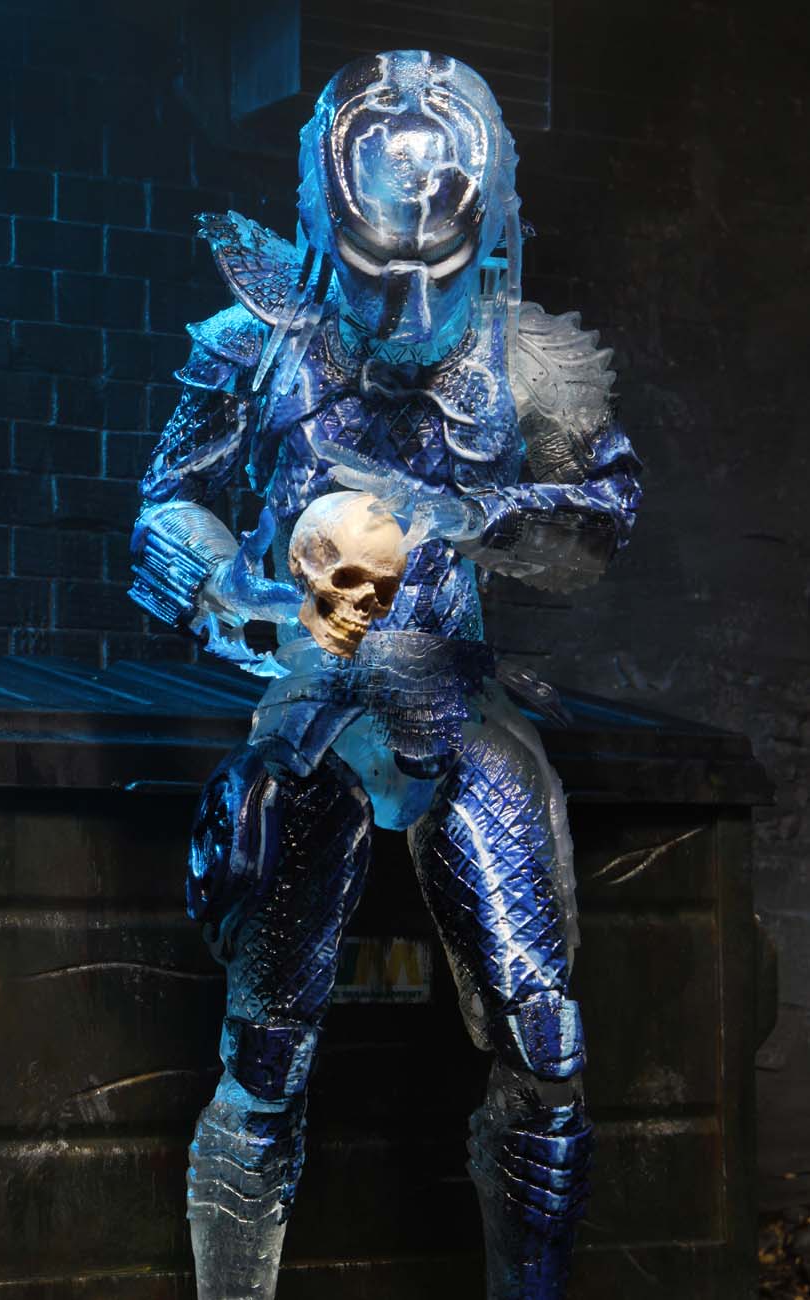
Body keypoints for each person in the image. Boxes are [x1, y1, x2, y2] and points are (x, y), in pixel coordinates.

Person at [129, 49, 642, 1300]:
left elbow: (607, 511)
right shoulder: (253, 342)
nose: (410, 314)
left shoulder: (525, 361)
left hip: (456, 706)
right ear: (321, 230)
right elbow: (163, 507)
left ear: (493, 236)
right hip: (311, 711)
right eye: (374, 271)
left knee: (546, 1039)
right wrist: (240, 592)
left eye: (438, 273)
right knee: (264, 1056)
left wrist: (482, 514)